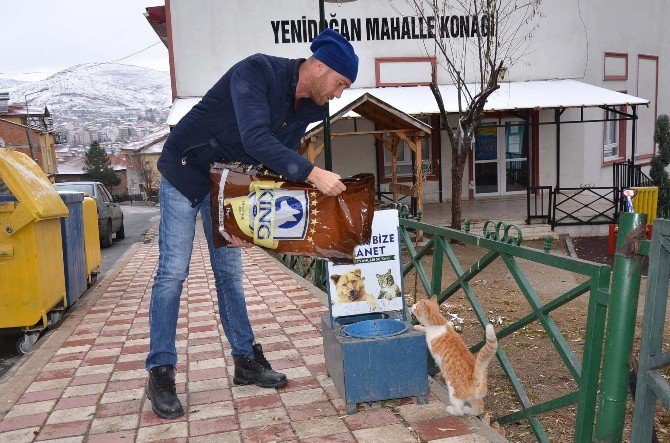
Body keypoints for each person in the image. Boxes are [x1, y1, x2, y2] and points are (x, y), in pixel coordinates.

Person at [145, 28, 359, 420]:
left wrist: (249, 217)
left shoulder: (312, 107)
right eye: (340, 84)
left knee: (230, 274)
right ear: (320, 66)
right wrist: (314, 174)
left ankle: (245, 359)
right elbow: (257, 138)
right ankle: (160, 370)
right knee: (173, 273)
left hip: (228, 187)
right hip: (185, 172)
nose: (339, 94)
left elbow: (272, 161)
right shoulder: (256, 72)